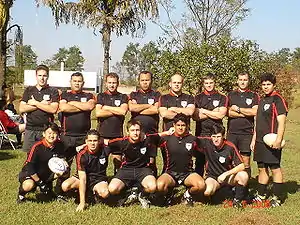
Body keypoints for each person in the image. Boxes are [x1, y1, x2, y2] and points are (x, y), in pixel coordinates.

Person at [107, 119, 170, 208]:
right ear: (127, 132)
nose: (135, 133)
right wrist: (83, 146)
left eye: (137, 130)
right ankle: (126, 194)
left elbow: (159, 135)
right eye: (132, 130)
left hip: (143, 169)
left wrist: (169, 131)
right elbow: (104, 142)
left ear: (141, 131)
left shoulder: (147, 139)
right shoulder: (122, 142)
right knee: (112, 189)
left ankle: (142, 195)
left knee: (152, 187)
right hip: (126, 170)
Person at [251, 73, 288, 207]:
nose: (266, 87)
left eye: (268, 84)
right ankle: (261, 195)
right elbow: (258, 121)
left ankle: (277, 198)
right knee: (261, 168)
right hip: (260, 141)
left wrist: (278, 139)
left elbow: (282, 121)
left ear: (274, 85)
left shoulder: (278, 100)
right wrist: (254, 138)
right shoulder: (262, 99)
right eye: (263, 84)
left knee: (275, 168)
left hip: (271, 141)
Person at [57, 72, 96, 199]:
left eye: (79, 81)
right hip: (67, 136)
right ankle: (61, 192)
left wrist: (72, 104)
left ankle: (84, 190)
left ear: (83, 83)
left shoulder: (89, 95)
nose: (77, 83)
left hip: (83, 137)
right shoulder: (65, 95)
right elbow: (63, 108)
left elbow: (90, 106)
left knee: (84, 165)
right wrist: (82, 107)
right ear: (70, 82)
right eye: (75, 81)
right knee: (63, 165)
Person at [156, 114, 206, 207]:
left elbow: (203, 153)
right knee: (159, 186)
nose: (180, 128)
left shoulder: (193, 139)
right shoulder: (165, 139)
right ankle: (169, 194)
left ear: (187, 126)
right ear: (174, 126)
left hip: (187, 173)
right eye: (178, 125)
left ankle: (187, 195)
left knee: (201, 185)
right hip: (170, 173)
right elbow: (148, 139)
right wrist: (164, 133)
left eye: (183, 125)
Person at [197, 124, 249, 208]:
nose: (216, 139)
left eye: (218, 136)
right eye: (213, 136)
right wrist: (169, 132)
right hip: (213, 177)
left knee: (243, 175)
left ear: (223, 136)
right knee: (207, 191)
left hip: (227, 177)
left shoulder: (230, 146)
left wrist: (225, 174)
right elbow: (192, 139)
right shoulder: (207, 143)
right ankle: (220, 193)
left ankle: (237, 200)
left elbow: (242, 166)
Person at [16, 122, 65, 203]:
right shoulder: (36, 147)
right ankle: (21, 195)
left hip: (46, 173)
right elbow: (30, 167)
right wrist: (40, 182)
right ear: (44, 134)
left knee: (64, 172)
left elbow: (61, 159)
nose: (52, 136)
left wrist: (64, 166)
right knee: (29, 185)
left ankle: (56, 192)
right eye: (49, 133)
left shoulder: (59, 145)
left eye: (55, 133)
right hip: (31, 173)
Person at [61, 130, 110, 212]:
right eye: (90, 141)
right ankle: (81, 196)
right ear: (86, 141)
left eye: (95, 140)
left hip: (98, 179)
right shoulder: (82, 155)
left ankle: (93, 195)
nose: (92, 143)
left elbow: (116, 143)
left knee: (105, 193)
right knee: (65, 186)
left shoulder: (105, 149)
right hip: (82, 177)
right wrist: (82, 203)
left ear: (99, 141)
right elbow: (83, 179)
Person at [193, 73, 228, 176]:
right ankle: (198, 184)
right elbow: (195, 117)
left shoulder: (222, 97)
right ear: (203, 84)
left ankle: (217, 182)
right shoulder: (198, 97)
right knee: (200, 160)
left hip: (216, 133)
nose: (209, 85)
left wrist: (203, 111)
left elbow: (220, 115)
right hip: (201, 133)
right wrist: (213, 112)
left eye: (211, 83)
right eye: (206, 83)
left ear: (215, 83)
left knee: (215, 159)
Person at [19, 65, 59, 152]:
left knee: (46, 156)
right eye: (40, 75)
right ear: (36, 76)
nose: (42, 78)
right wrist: (42, 104)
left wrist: (35, 103)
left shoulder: (53, 91)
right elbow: (22, 108)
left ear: (48, 76)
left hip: (46, 130)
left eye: (44, 76)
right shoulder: (29, 90)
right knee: (30, 157)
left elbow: (53, 109)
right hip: (30, 129)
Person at [227, 72, 259, 177]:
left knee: (246, 161)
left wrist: (238, 109)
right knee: (230, 160)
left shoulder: (254, 95)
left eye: (245, 80)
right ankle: (231, 185)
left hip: (247, 133)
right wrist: (245, 114)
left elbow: (254, 112)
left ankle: (245, 186)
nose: (242, 82)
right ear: (237, 81)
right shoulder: (231, 95)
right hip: (232, 132)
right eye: (240, 80)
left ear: (248, 81)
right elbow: (227, 112)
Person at [96, 72, 128, 174]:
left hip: (117, 135)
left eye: (114, 82)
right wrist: (116, 111)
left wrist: (106, 107)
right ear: (106, 83)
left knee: (118, 162)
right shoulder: (101, 96)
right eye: (109, 82)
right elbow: (98, 113)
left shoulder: (123, 97)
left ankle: (117, 183)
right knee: (101, 162)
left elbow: (123, 112)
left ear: (118, 83)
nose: (112, 85)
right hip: (102, 135)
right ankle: (101, 181)